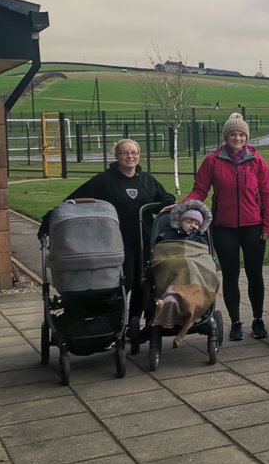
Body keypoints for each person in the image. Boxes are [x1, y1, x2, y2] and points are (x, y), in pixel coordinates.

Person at [39, 138, 174, 329]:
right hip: (115, 242)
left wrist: (165, 202)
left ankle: (134, 324)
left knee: (143, 284)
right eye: (125, 153)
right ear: (117, 156)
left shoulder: (147, 180)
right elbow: (74, 201)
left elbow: (165, 198)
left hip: (144, 239)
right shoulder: (104, 180)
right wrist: (50, 218)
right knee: (121, 283)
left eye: (134, 152)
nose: (130, 156)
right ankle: (113, 323)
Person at [185, 113, 269, 341]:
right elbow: (200, 190)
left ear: (246, 136)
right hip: (224, 228)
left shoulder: (257, 161)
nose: (237, 137)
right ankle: (235, 322)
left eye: (241, 134)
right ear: (226, 136)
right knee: (231, 275)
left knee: (256, 274)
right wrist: (183, 205)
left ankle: (257, 320)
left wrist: (268, 224)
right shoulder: (212, 161)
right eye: (233, 134)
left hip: (254, 226)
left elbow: (267, 193)